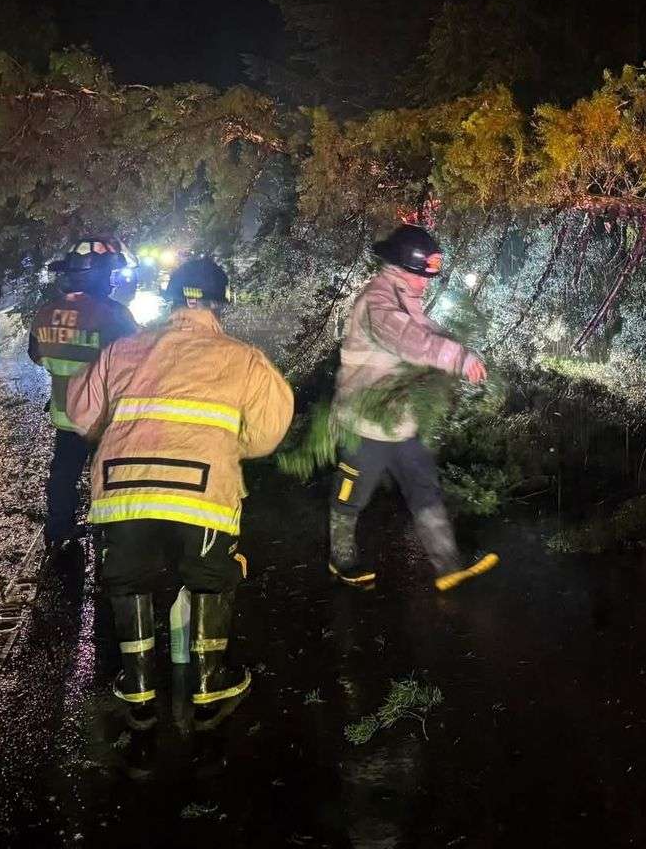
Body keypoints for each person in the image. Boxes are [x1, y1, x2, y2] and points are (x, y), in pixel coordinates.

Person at [65, 256, 293, 727]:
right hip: (203, 490)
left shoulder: (124, 349)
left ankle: (137, 687)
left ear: (171, 299)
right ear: (220, 304)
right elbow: (267, 434)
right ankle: (211, 683)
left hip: (122, 488)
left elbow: (83, 414)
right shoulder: (244, 359)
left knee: (127, 578)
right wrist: (226, 447)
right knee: (211, 574)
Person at [327, 224, 499, 592]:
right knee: (351, 495)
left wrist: (459, 351)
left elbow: (425, 332)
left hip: (400, 422)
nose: (426, 284)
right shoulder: (378, 300)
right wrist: (456, 356)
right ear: (400, 267)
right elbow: (408, 339)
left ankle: (448, 565)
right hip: (364, 423)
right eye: (422, 276)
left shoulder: (406, 298)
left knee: (425, 489)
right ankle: (341, 558)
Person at [28, 238, 139, 554]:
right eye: (109, 274)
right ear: (99, 277)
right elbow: (136, 360)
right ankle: (110, 535)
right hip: (105, 416)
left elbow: (36, 355)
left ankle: (58, 530)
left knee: (63, 473)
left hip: (65, 414)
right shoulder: (113, 314)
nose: (112, 281)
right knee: (107, 475)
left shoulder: (45, 313)